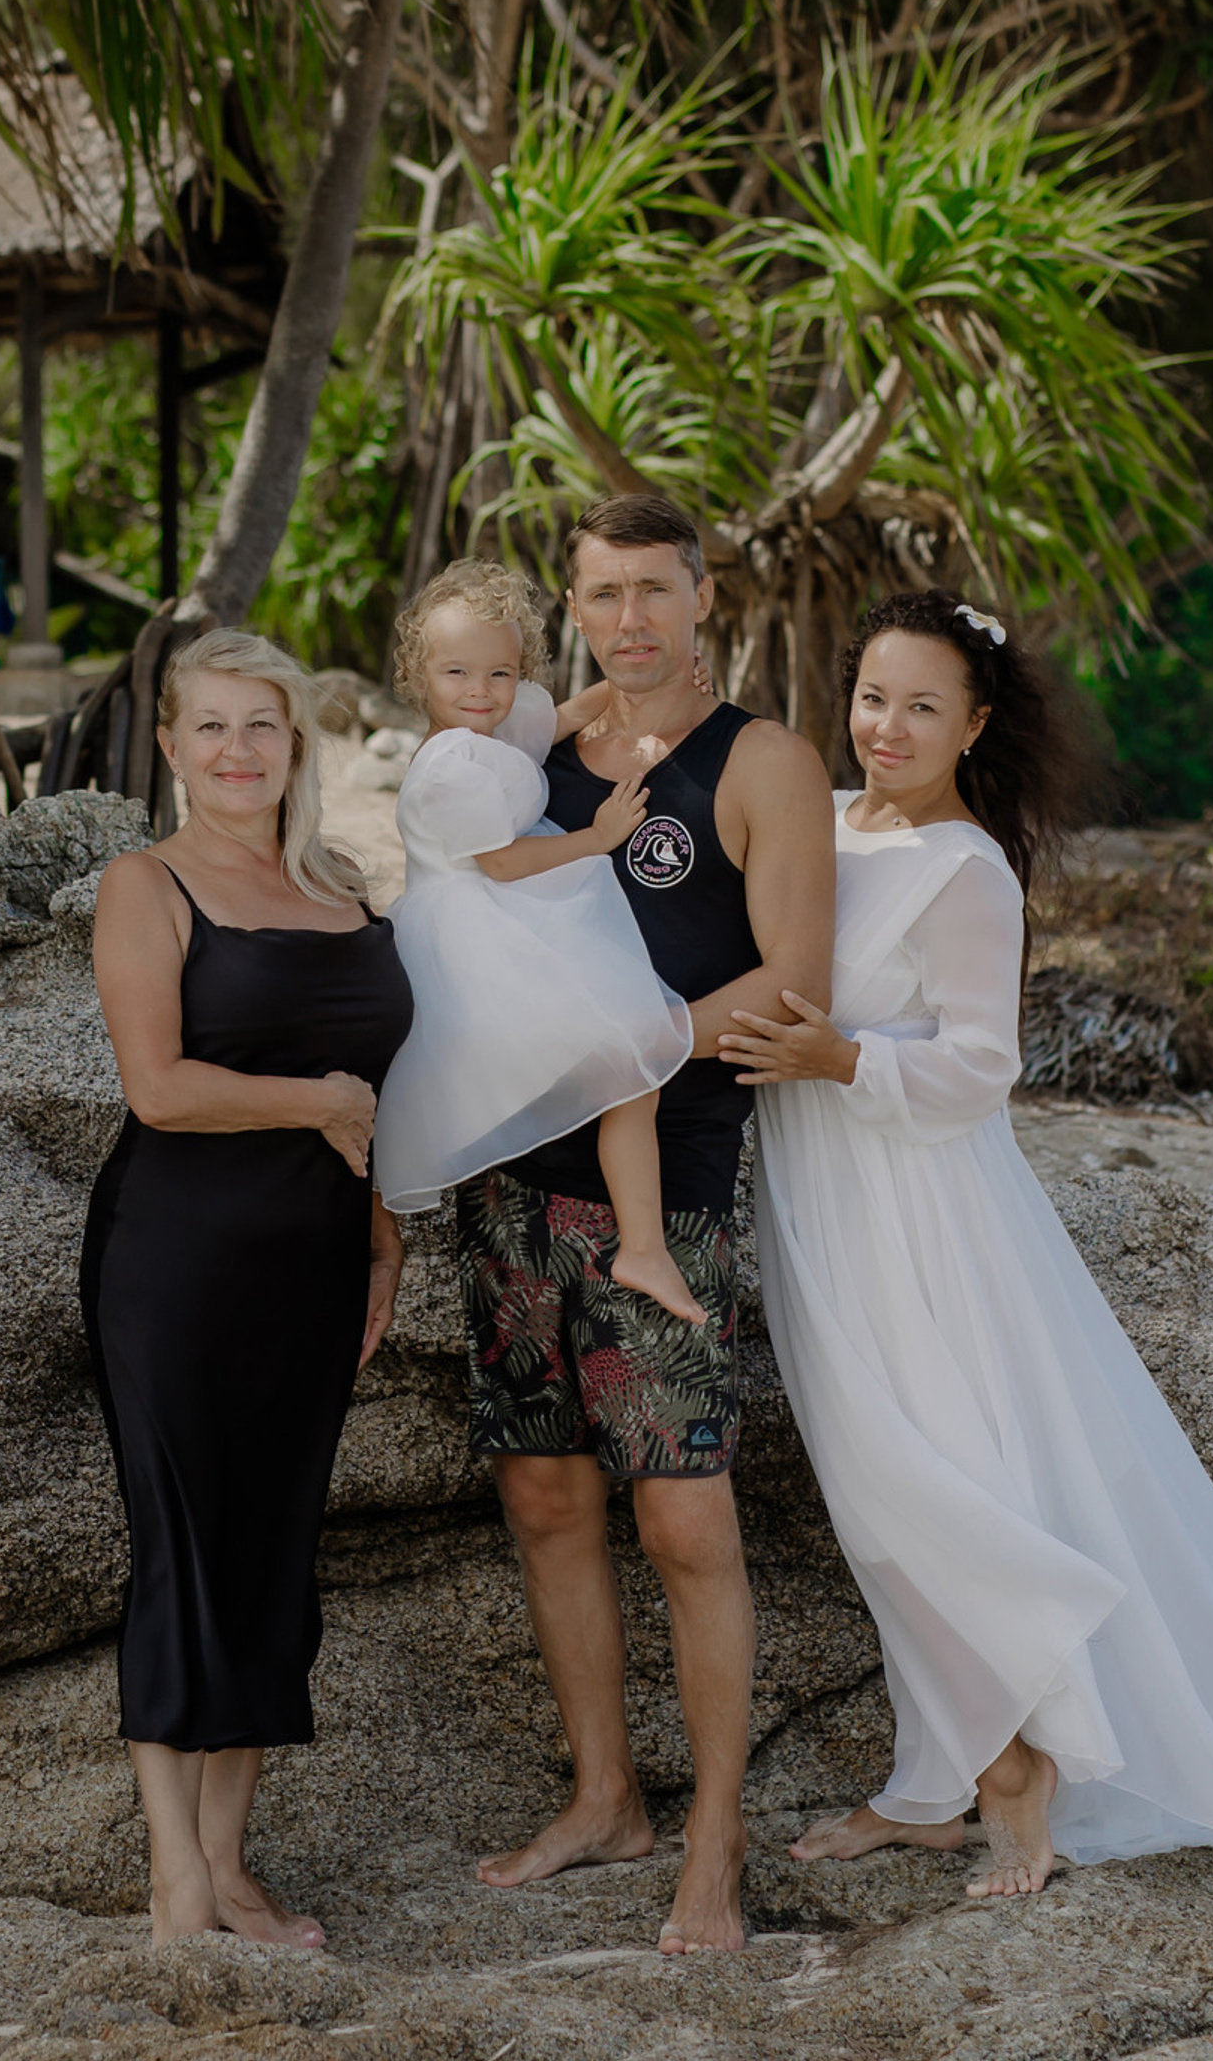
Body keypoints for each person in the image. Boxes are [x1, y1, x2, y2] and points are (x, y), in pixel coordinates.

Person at [720, 590, 1213, 1908]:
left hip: (918, 1209)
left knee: (932, 1490)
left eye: (923, 707)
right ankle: (941, 1779)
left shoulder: (967, 871)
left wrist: (839, 1054)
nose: (888, 728)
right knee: (875, 1499)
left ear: (974, 724)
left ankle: (1024, 1769)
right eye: (871, 698)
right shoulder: (832, 826)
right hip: (817, 1195)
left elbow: (984, 1067)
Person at [457, 494, 838, 1954]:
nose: (631, 621)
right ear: (577, 608)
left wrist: (635, 1039)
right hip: (515, 1179)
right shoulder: (539, 760)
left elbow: (797, 981)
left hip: (666, 1192)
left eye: (655, 593)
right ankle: (606, 1799)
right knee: (547, 1498)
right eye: (605, 595)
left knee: (686, 1521)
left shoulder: (764, 762)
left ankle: (715, 1847)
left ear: (702, 599)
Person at [84, 627, 415, 1948]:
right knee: (184, 1552)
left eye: (262, 726)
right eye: (211, 727)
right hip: (175, 1259)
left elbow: (391, 1090)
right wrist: (318, 1100)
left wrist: (384, 1233)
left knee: (274, 1560)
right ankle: (174, 1886)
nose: (238, 752)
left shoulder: (344, 886)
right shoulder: (146, 886)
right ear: (169, 745)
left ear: (299, 743)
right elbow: (156, 1086)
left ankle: (229, 1866)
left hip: (317, 1260)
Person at [373, 557, 704, 1323]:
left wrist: (665, 677)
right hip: (483, 935)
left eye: (500, 672)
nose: (482, 692)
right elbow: (501, 860)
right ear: (418, 674)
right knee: (628, 1057)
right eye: (458, 673)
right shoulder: (450, 764)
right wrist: (598, 837)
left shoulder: (490, 722)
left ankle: (640, 1245)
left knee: (631, 1069)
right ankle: (642, 1246)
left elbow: (562, 716)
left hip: (521, 919)